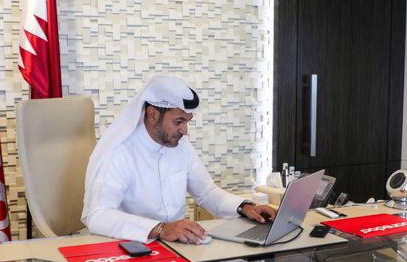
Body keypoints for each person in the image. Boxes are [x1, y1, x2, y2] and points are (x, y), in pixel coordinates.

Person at [82, 75, 276, 244]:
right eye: (178, 122)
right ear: (152, 114)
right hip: (131, 250)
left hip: (178, 247)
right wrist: (160, 229)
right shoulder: (121, 153)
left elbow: (206, 193)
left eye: (187, 121)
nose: (185, 130)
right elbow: (98, 215)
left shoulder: (181, 147)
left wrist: (246, 207)